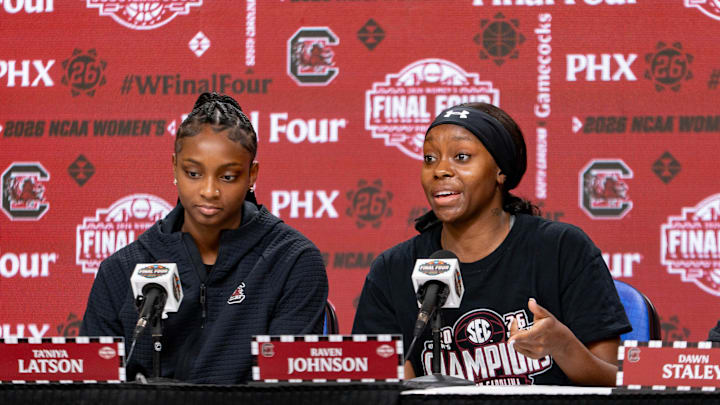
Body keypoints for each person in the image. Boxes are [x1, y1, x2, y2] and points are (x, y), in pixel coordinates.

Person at [352, 102, 631, 386]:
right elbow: (376, 388)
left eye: (461, 156)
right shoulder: (393, 269)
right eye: (429, 158)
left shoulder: (561, 249)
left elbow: (617, 383)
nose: (440, 171)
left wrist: (564, 347)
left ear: (501, 171)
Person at [80, 92, 328, 384]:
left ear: (252, 175)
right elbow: (90, 388)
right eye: (194, 173)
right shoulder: (121, 269)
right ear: (174, 168)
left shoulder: (292, 261)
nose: (209, 191)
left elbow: (287, 393)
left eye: (227, 177)